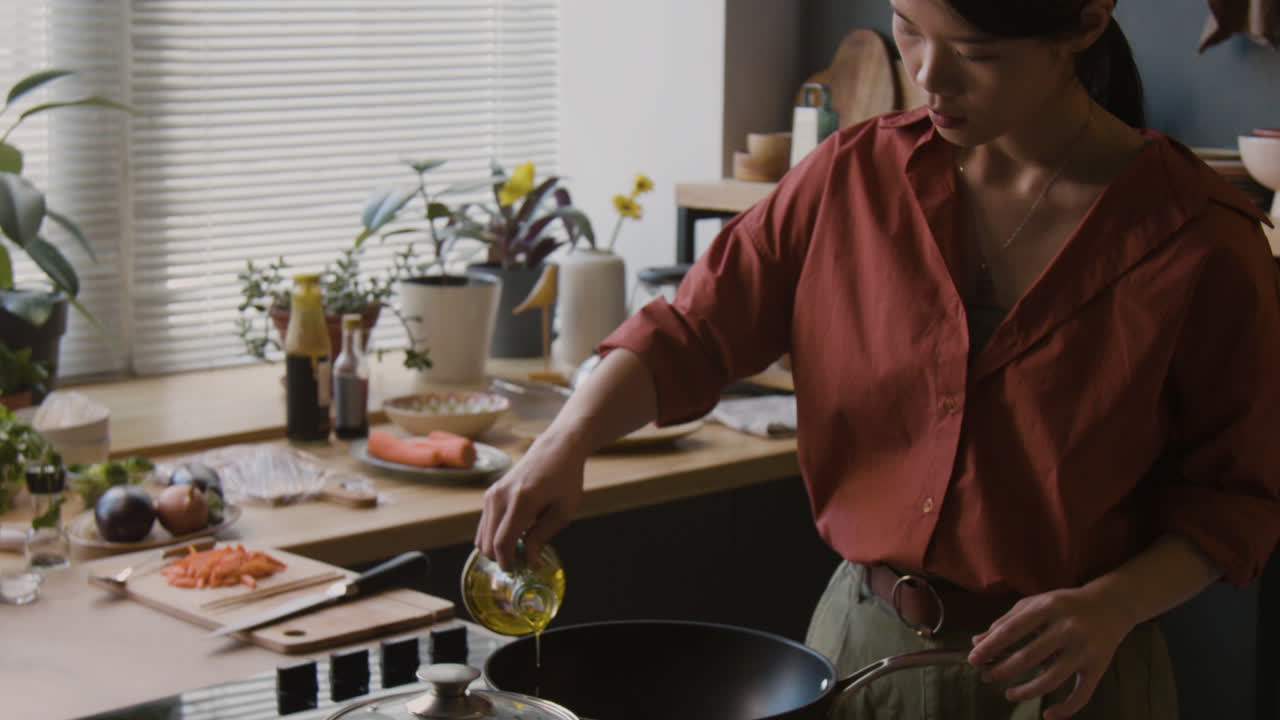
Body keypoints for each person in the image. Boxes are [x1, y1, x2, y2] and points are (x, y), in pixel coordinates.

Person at [475, 0, 1280, 717]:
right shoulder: (851, 178)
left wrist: (1111, 607)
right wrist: (564, 443)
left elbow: (1235, 499)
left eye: (977, 54)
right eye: (907, 30)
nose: (929, 76)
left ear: (1083, 25)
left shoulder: (1201, 240)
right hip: (861, 654)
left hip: (1075, 674)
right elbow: (692, 330)